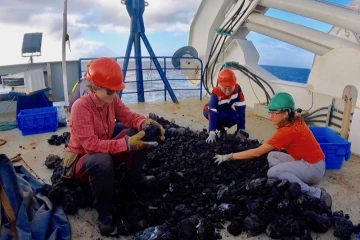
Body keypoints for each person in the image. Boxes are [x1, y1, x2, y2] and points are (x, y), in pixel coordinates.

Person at [62, 57, 165, 236]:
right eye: (111, 90)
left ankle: (135, 180)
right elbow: (91, 146)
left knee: (141, 133)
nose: (114, 94)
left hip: (104, 151)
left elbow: (130, 117)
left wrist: (145, 123)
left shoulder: (111, 99)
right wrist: (125, 144)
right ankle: (104, 212)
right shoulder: (81, 107)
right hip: (83, 163)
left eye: (117, 90)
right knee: (101, 160)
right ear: (94, 87)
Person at [213, 92, 332, 208]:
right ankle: (290, 178)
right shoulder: (294, 118)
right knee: (272, 155)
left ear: (285, 113)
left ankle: (315, 192)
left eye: (274, 113)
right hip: (308, 161)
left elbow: (257, 152)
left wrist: (228, 156)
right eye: (270, 112)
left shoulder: (287, 132)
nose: (270, 116)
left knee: (272, 173)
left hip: (314, 168)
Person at [203, 68, 246, 144]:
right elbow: (212, 113)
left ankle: (223, 129)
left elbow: (241, 109)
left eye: (230, 88)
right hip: (209, 110)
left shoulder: (237, 89)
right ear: (220, 85)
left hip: (226, 108)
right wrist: (211, 131)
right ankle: (215, 129)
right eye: (224, 88)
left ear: (234, 84)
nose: (227, 91)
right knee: (223, 116)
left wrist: (241, 128)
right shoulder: (215, 93)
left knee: (235, 118)